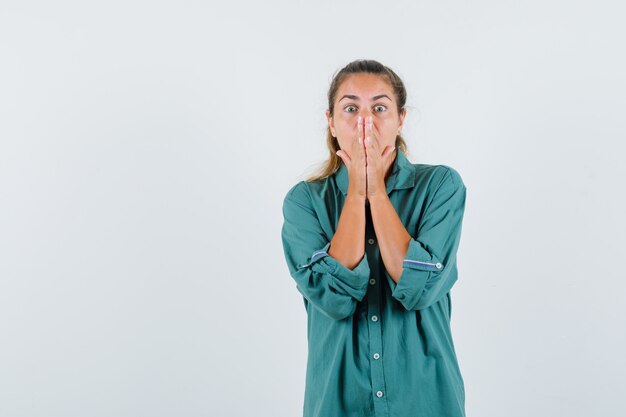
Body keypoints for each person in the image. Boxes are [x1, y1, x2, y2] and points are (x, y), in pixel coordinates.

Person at [281, 59, 467, 417]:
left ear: (400, 119)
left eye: (379, 108)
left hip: (427, 401)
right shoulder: (304, 201)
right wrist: (355, 191)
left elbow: (420, 288)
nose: (365, 122)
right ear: (332, 123)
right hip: (337, 404)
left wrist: (377, 193)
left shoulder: (440, 186)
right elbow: (334, 300)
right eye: (351, 108)